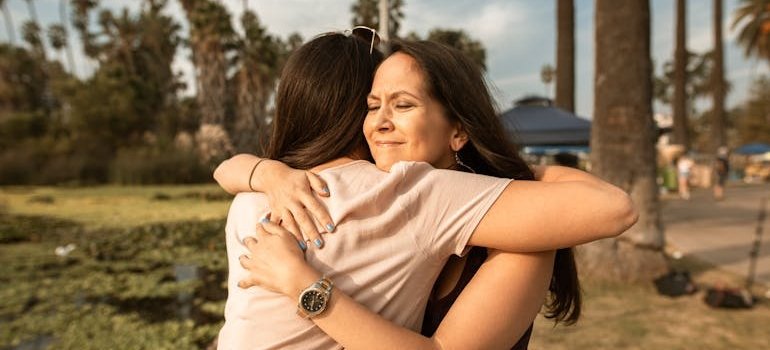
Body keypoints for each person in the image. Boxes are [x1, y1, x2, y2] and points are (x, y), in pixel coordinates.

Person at [215, 35, 637, 350]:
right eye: (371, 105)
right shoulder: (385, 202)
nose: (379, 122)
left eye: (402, 105)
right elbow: (228, 171)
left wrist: (305, 287)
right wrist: (267, 173)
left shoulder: (500, 235)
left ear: (457, 130)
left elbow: (615, 208)